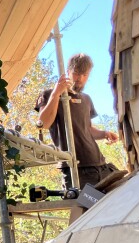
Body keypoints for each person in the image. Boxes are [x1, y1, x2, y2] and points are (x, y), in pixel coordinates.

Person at [35, 53, 119, 189]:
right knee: (87, 203)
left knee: (125, 195)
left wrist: (105, 134)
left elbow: (88, 129)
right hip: (76, 169)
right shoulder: (49, 94)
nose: (80, 78)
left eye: (85, 75)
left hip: (100, 165)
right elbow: (43, 123)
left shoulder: (86, 99)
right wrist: (57, 93)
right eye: (76, 73)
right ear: (68, 71)